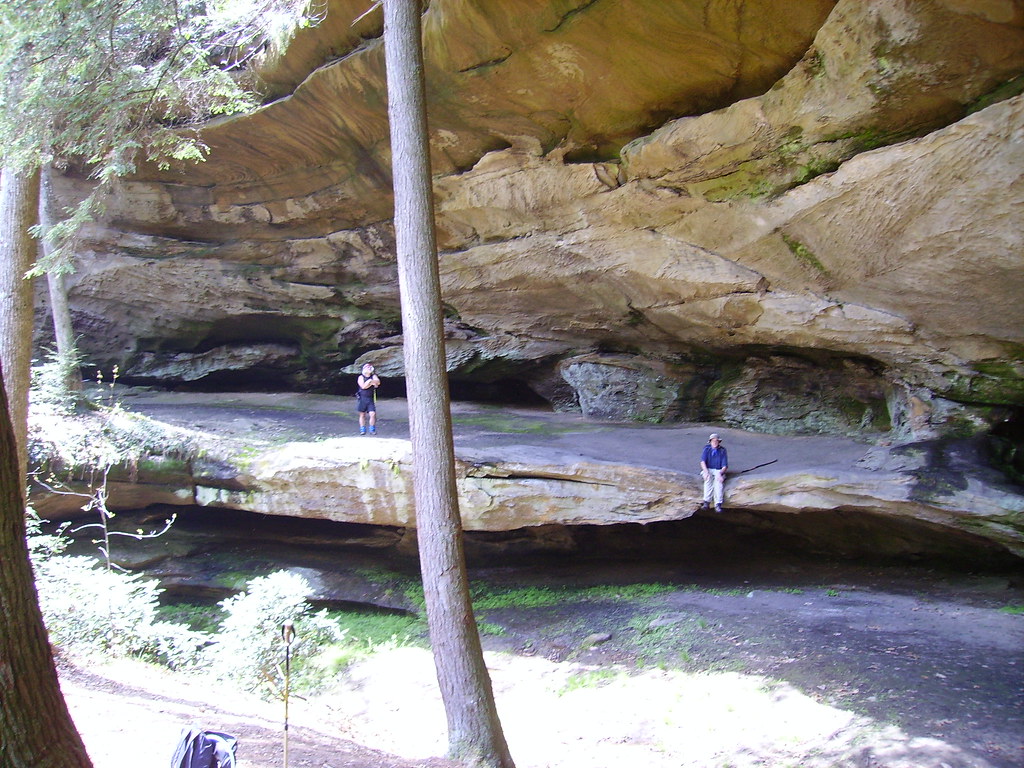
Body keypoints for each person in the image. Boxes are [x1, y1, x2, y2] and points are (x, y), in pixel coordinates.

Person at [699, 433, 728, 513]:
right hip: (708, 469)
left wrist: (720, 473)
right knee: (708, 479)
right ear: (710, 442)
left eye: (716, 441)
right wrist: (706, 471)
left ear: (719, 442)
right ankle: (706, 501)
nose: (714, 442)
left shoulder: (722, 450)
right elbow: (702, 462)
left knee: (718, 482)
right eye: (713, 441)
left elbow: (724, 466)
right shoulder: (707, 449)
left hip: (718, 469)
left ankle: (718, 503)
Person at [355, 363, 380, 435]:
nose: (368, 369)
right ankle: (362, 429)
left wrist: (371, 383)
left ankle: (372, 429)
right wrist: (370, 382)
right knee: (362, 415)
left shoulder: (373, 376)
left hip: (370, 399)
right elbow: (363, 386)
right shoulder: (361, 377)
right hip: (362, 398)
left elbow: (378, 382)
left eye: (369, 368)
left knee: (372, 414)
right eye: (367, 368)